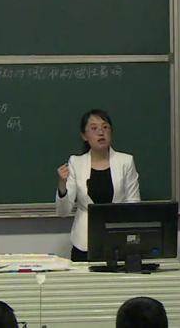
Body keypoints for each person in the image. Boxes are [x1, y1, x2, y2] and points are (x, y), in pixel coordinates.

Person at [56, 109, 141, 261]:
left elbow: (134, 204)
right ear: (84, 135)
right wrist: (62, 184)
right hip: (84, 243)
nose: (101, 132)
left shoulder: (126, 162)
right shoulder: (76, 163)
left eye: (105, 127)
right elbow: (63, 212)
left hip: (118, 242)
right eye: (94, 128)